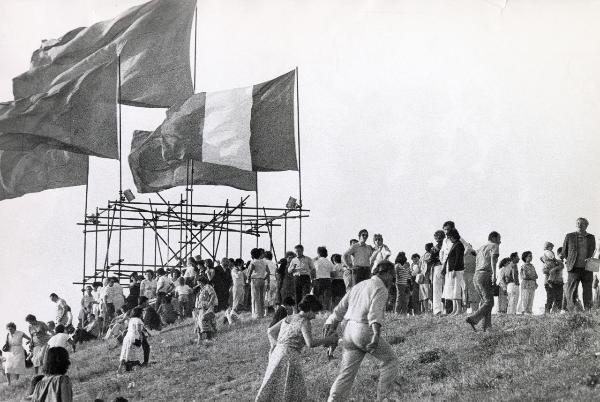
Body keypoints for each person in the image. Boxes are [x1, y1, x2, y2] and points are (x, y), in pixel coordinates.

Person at [324, 260, 399, 401]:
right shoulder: (381, 287)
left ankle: (333, 400)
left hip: (348, 329)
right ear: (387, 273)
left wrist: (331, 322)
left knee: (346, 373)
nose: (392, 279)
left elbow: (341, 307)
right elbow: (374, 313)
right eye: (392, 275)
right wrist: (376, 334)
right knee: (391, 361)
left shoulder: (359, 285)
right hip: (364, 329)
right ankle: (383, 399)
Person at [255, 295, 337, 402]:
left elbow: (270, 331)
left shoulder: (289, 317)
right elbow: (310, 343)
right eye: (315, 312)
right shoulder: (304, 321)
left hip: (276, 354)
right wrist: (328, 339)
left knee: (271, 385)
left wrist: (276, 345)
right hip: (290, 358)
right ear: (310, 309)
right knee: (293, 389)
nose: (315, 316)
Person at [466, 231, 501, 332]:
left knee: (485, 302)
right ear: (494, 238)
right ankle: (474, 318)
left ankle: (486, 326)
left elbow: (474, 253)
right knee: (489, 302)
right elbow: (493, 259)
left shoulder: (481, 247)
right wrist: (494, 274)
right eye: (499, 238)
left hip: (476, 275)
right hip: (485, 274)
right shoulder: (494, 245)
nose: (500, 241)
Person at [563, 217, 596, 311]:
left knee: (587, 290)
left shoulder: (591, 237)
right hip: (574, 268)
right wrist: (569, 261)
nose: (579, 225)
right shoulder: (569, 236)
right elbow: (564, 252)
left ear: (586, 226)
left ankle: (588, 310)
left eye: (582, 223)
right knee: (572, 290)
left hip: (587, 267)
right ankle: (572, 311)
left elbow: (593, 250)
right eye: (577, 223)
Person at [442, 228, 465, 315]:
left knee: (456, 289)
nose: (449, 239)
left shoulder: (459, 245)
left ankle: (458, 309)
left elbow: (458, 258)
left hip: (457, 270)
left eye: (450, 237)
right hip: (451, 270)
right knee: (452, 290)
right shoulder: (455, 244)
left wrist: (455, 269)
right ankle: (455, 309)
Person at [117, 307, 147, 373]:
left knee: (125, 352)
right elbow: (138, 329)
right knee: (132, 354)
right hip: (133, 338)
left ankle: (120, 367)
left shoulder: (131, 319)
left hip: (127, 338)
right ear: (139, 313)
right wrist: (141, 337)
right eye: (142, 312)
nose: (143, 314)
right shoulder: (138, 320)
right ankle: (129, 368)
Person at [247, 248, 270, 319]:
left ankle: (256, 314)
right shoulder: (264, 262)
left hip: (255, 280)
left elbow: (249, 273)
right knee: (261, 297)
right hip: (262, 280)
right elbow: (268, 272)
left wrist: (248, 280)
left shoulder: (253, 262)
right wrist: (264, 278)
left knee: (255, 297)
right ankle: (262, 314)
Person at [195, 276, 218, 344]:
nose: (198, 285)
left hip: (207, 307)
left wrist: (209, 303)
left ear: (202, 282)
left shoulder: (208, 287)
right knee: (199, 321)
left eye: (199, 283)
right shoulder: (202, 289)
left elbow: (213, 295)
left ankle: (209, 337)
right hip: (202, 307)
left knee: (204, 319)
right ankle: (201, 338)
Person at [543, 245, 564, 313]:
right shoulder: (550, 260)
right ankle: (547, 312)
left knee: (559, 299)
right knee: (550, 298)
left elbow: (561, 266)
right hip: (550, 282)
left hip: (559, 282)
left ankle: (556, 312)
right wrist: (552, 269)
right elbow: (544, 270)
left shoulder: (558, 261)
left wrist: (554, 268)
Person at [313, 246, 334, 311]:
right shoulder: (329, 262)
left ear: (318, 253)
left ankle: (317, 312)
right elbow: (332, 274)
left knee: (317, 298)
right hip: (327, 280)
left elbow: (312, 271)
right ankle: (326, 312)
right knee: (326, 299)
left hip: (318, 280)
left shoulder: (316, 262)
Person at [431, 230, 445, 315]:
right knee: (446, 288)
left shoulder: (434, 248)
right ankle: (446, 308)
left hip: (438, 267)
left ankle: (437, 310)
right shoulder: (448, 246)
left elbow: (431, 260)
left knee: (437, 289)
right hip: (444, 267)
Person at [462, 246, 479, 313]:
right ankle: (474, 310)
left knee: (464, 291)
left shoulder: (463, 257)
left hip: (465, 275)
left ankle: (464, 310)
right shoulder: (476, 258)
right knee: (473, 292)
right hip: (473, 275)